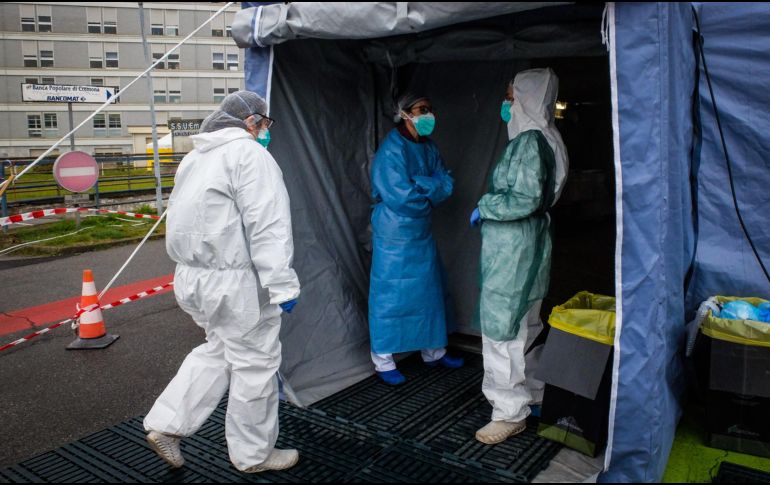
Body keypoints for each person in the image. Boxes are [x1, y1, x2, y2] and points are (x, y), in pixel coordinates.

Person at [143, 91, 301, 473]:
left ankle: (166, 424)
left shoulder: (195, 158)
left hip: (194, 278)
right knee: (255, 364)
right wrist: (282, 284)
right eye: (265, 124)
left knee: (219, 350)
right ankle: (254, 455)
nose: (266, 132)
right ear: (251, 122)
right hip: (238, 284)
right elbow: (268, 225)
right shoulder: (250, 156)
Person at [470, 68, 568, 444]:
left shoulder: (528, 141)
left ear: (526, 97)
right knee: (526, 323)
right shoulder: (550, 137)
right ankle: (534, 392)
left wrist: (486, 205)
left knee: (500, 331)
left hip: (512, 249)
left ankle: (509, 411)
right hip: (533, 244)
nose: (506, 103)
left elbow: (523, 198)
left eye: (511, 96)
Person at [368, 92, 464, 386]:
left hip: (420, 232)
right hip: (394, 232)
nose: (429, 115)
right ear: (404, 113)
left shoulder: (429, 147)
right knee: (390, 295)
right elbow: (401, 196)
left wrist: (425, 186)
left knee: (428, 292)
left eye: (430, 109)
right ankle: (383, 361)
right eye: (423, 109)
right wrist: (429, 190)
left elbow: (446, 183)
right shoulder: (391, 150)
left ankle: (433, 351)